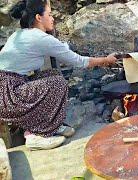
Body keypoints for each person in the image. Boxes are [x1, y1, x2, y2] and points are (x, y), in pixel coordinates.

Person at [0, 0, 117, 150]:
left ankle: (50, 125)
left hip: (7, 90)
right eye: (49, 14)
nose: (53, 18)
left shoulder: (21, 34)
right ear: (38, 18)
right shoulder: (40, 38)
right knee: (57, 83)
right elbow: (78, 61)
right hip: (7, 97)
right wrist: (106, 60)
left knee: (51, 75)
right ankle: (35, 135)